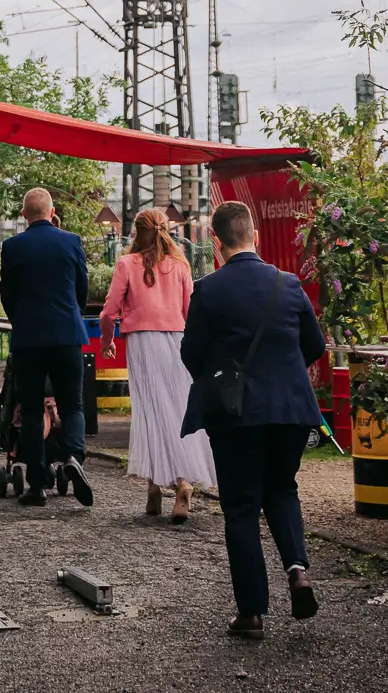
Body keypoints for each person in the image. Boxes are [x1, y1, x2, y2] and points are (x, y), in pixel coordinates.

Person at [180, 200, 326, 642]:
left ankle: (252, 614)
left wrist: (228, 379)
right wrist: (280, 374)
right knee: (282, 488)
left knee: (241, 506)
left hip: (236, 413)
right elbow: (314, 346)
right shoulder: (288, 284)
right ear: (255, 236)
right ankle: (297, 571)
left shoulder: (208, 291)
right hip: (291, 410)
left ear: (215, 241)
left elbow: (192, 354)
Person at [100, 208, 215, 522]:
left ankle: (156, 487)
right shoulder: (180, 265)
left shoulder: (126, 264)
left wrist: (107, 341)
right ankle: (182, 482)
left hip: (142, 342)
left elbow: (108, 313)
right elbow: (191, 312)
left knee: (151, 412)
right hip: (177, 341)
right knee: (177, 409)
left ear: (136, 233)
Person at [0, 186, 93, 508]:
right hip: (67, 334)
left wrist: (21, 320)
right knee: (73, 406)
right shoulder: (71, 241)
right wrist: (70, 316)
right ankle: (73, 456)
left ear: (24, 214)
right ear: (52, 213)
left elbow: (6, 293)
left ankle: (37, 485)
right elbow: (82, 288)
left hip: (28, 339)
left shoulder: (12, 247)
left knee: (34, 411)